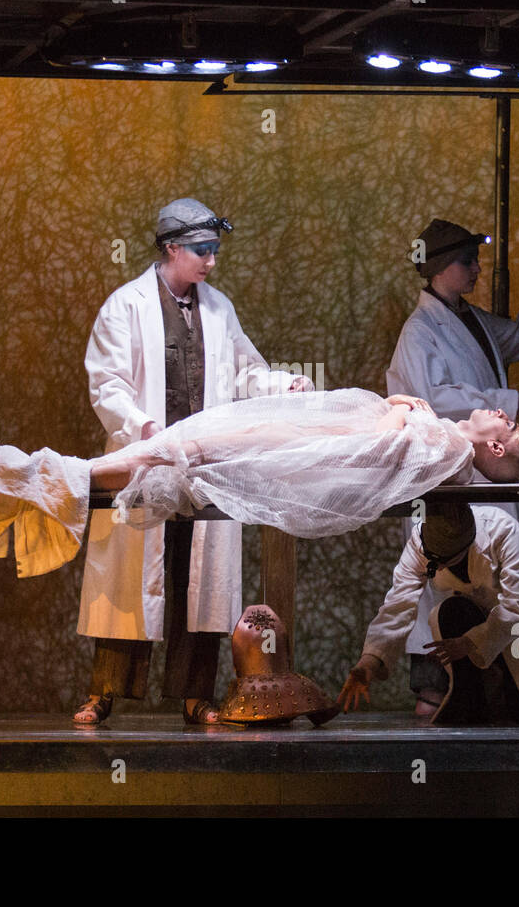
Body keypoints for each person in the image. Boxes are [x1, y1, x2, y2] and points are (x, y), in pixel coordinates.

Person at [73, 198, 311, 726]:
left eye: (215, 251)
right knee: (132, 582)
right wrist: (145, 429)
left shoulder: (219, 309)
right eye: (201, 251)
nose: (210, 261)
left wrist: (282, 383)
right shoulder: (126, 306)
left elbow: (246, 372)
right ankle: (105, 692)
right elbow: (106, 383)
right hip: (148, 463)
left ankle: (195, 694)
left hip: (203, 467)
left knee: (198, 583)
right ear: (171, 248)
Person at [0, 391, 519, 576]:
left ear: (496, 447)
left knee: (184, 452)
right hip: (309, 446)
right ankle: (27, 478)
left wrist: (400, 414)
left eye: (507, 424)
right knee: (176, 455)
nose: (500, 413)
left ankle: (25, 473)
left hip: (307, 451)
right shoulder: (448, 436)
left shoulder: (452, 445)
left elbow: (381, 447)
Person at [386, 217, 519, 716]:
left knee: (488, 580)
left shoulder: (467, 319)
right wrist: (505, 399)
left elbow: (516, 339)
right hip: (449, 477)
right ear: (439, 269)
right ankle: (434, 687)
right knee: (440, 580)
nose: (475, 269)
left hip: (481, 475)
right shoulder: (420, 331)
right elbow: (430, 399)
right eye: (466, 262)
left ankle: (490, 688)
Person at [339, 502, 519, 724]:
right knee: (448, 612)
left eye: (446, 562)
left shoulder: (502, 530)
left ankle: (508, 698)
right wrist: (368, 662)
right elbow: (398, 605)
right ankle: (472, 698)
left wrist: (471, 642)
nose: (438, 567)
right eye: (434, 561)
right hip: (472, 615)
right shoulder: (419, 542)